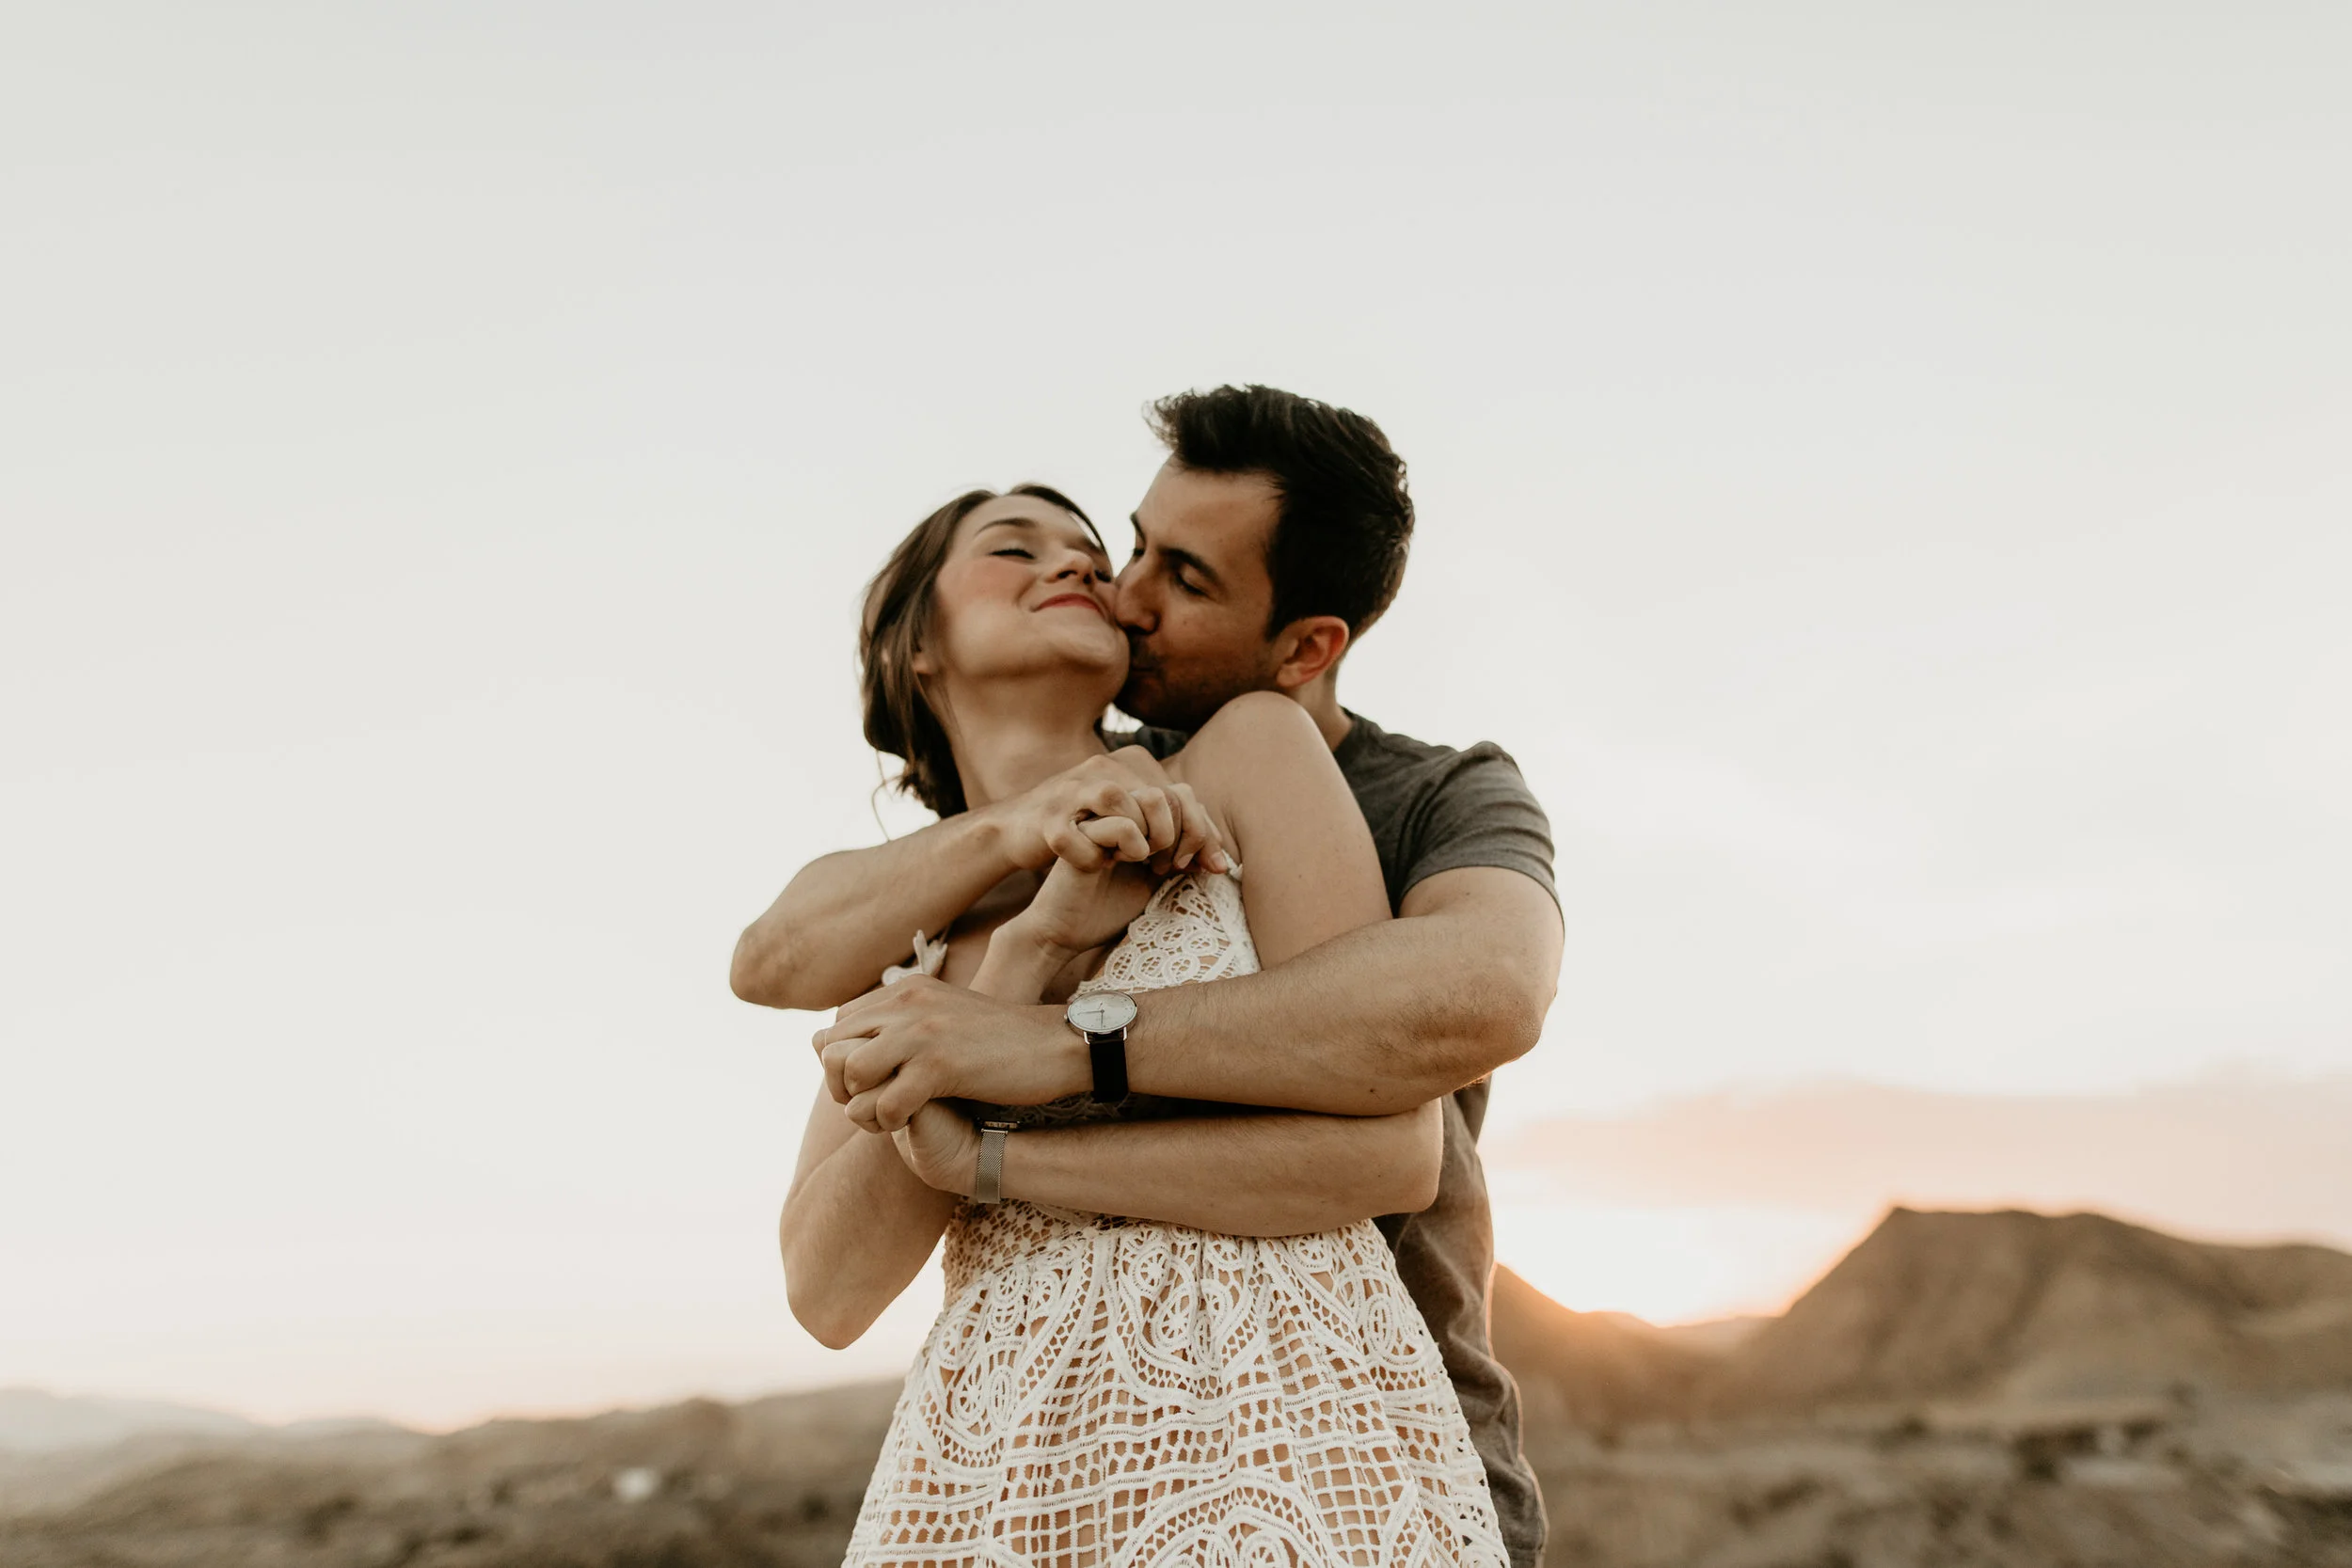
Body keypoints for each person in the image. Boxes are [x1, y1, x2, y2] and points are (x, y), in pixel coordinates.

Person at [740, 385, 1564, 1568]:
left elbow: (1407, 1130)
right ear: (915, 641)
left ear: (1304, 647)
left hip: (1304, 1436)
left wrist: (1004, 1130)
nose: (1103, 581)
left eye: (1162, 571)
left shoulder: (1261, 757)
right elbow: (826, 1289)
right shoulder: (906, 914)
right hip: (1010, 1471)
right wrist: (1018, 932)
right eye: (1031, 547)